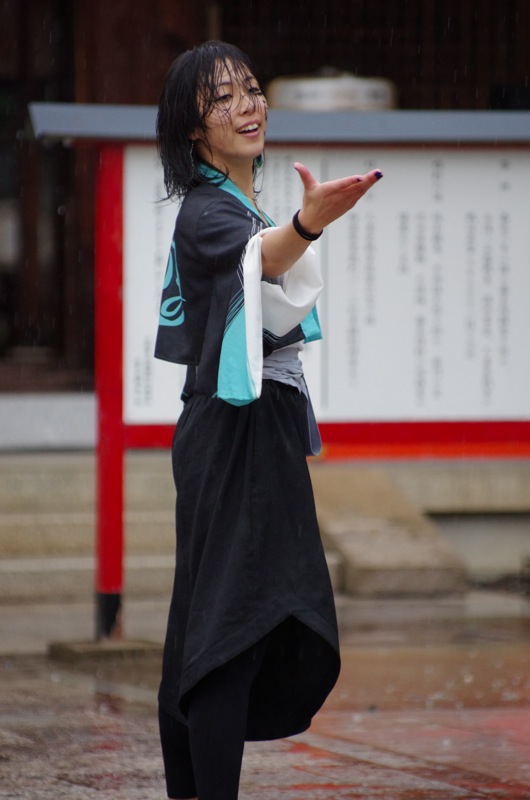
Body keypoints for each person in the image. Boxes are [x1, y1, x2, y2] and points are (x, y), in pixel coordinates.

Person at [154, 40, 383, 800]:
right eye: (222, 98)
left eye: (251, 89)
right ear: (193, 129)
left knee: (207, 622)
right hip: (235, 433)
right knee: (230, 629)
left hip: (248, 430)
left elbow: (266, 258)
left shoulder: (234, 203)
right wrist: (308, 225)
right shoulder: (209, 213)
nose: (247, 104)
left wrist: (299, 226)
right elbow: (267, 257)